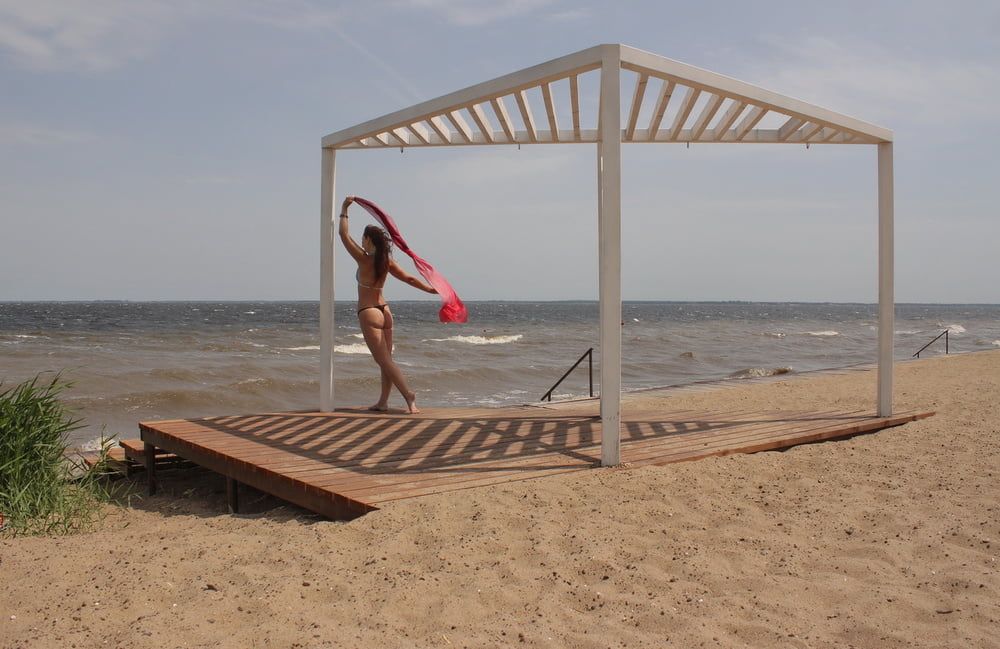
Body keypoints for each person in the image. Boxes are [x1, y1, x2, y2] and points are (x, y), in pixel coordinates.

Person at [339, 195, 436, 413]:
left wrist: (345, 208)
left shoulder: (364, 259)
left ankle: (409, 396)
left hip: (369, 312)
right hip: (385, 311)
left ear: (367, 240)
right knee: (386, 361)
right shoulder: (386, 261)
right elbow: (409, 278)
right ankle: (383, 402)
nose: (361, 241)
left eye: (363, 238)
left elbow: (343, 234)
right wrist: (429, 289)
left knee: (384, 361)